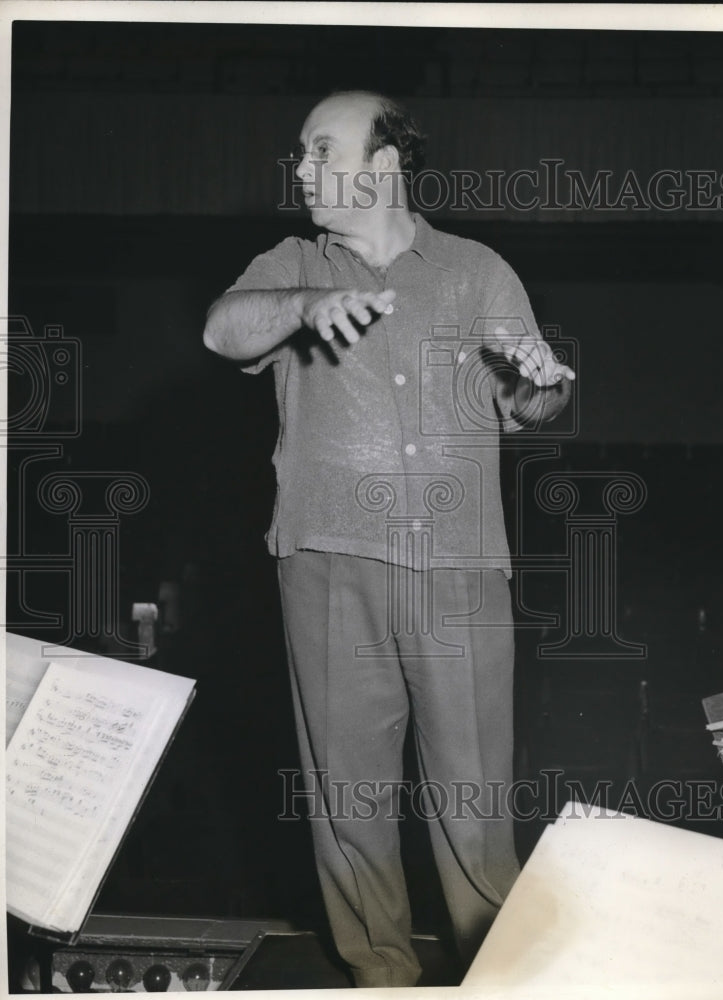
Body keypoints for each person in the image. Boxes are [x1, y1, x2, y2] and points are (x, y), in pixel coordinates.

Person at [203, 90, 575, 988]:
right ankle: (380, 977)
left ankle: (497, 975)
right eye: (298, 152)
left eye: (318, 150)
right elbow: (221, 329)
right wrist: (309, 300)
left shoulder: (474, 268)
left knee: (474, 800)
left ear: (382, 165)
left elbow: (533, 404)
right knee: (348, 802)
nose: (298, 169)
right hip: (326, 561)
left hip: (458, 570)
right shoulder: (291, 260)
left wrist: (537, 382)